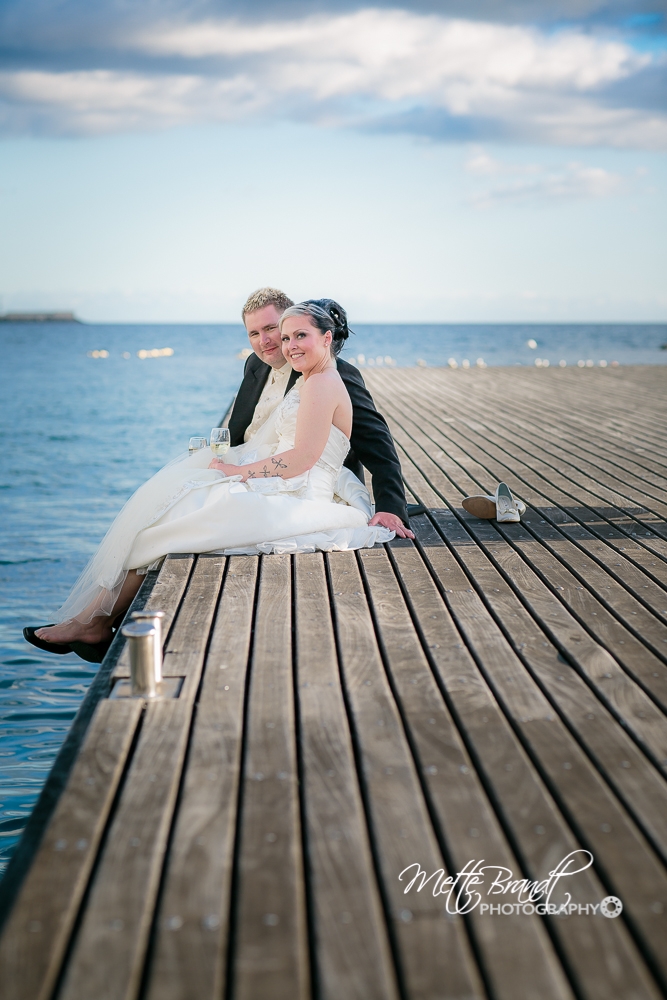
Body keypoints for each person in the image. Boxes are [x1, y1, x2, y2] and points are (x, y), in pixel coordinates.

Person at [24, 302, 395, 661]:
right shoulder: (299, 374)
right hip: (284, 481)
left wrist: (238, 473)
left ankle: (93, 621)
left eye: (297, 335)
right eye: (282, 337)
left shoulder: (326, 381)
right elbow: (257, 435)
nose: (285, 345)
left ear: (327, 338)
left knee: (172, 517)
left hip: (301, 494)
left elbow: (310, 456)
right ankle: (92, 621)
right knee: (172, 502)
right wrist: (229, 465)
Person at [231, 288, 414, 539]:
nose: (264, 341)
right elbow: (241, 431)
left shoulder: (334, 375)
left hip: (304, 491)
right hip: (252, 473)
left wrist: (390, 508)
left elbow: (378, 444)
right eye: (254, 333)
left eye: (271, 328)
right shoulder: (254, 363)